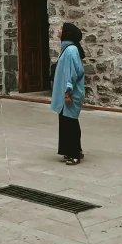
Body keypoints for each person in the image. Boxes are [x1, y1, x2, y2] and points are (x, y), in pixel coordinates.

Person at [51, 22, 85, 166]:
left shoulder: (70, 50)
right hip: (66, 93)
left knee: (70, 122)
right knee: (66, 122)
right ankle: (70, 150)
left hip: (69, 94)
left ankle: (75, 153)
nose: (58, 30)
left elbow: (71, 73)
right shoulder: (67, 48)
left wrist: (67, 93)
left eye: (61, 29)